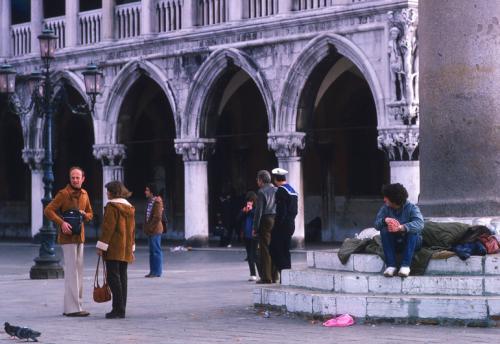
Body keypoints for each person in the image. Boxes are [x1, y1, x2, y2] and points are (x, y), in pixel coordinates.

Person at [44, 166, 93, 317]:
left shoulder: (85, 194)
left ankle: (76, 305)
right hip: (67, 238)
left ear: (83, 179)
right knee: (72, 272)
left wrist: (86, 215)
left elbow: (91, 213)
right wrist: (61, 223)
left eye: (78, 177)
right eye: (73, 177)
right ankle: (73, 309)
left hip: (80, 237)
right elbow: (48, 210)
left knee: (78, 272)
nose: (75, 180)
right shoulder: (63, 194)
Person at [96, 181, 135, 319]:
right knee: (122, 277)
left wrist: (101, 246)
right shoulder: (129, 208)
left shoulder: (112, 207)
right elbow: (132, 230)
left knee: (113, 278)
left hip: (113, 247)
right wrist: (132, 246)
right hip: (125, 248)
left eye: (108, 191)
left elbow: (108, 229)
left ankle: (117, 309)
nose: (106, 193)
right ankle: (121, 308)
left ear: (113, 192)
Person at [374, 183, 424, 277]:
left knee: (412, 232)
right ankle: (391, 266)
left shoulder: (412, 208)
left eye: (386, 197)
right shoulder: (385, 209)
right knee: (384, 230)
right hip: (395, 242)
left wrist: (401, 227)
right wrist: (385, 220)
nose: (384, 199)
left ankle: (405, 266)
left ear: (394, 199)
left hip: (412, 242)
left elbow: (420, 224)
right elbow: (376, 225)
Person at [269, 168, 298, 277]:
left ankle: (284, 272)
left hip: (282, 226)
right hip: (291, 224)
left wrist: (276, 226)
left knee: (274, 249)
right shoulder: (292, 191)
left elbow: (281, 212)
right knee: (285, 250)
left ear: (276, 179)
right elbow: (295, 211)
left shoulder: (281, 191)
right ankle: (287, 275)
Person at [252, 170, 277, 284]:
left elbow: (259, 212)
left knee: (265, 249)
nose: (257, 182)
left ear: (261, 180)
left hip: (266, 220)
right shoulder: (276, 189)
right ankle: (275, 275)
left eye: (257, 179)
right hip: (276, 218)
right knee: (274, 248)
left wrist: (255, 228)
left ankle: (266, 277)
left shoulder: (261, 192)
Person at [143, 183, 164, 278]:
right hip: (150, 230)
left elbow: (157, 217)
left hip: (155, 230)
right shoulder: (150, 201)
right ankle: (152, 271)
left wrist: (150, 228)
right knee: (152, 251)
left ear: (151, 192)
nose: (145, 192)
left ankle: (157, 272)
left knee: (156, 251)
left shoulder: (157, 201)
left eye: (147, 190)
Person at [238, 191, 259, 281]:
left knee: (253, 255)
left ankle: (258, 273)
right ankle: (253, 274)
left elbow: (257, 217)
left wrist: (250, 211)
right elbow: (238, 219)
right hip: (246, 235)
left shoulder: (257, 209)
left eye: (251, 201)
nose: (249, 202)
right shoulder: (245, 209)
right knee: (250, 255)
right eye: (248, 201)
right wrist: (244, 212)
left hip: (254, 235)